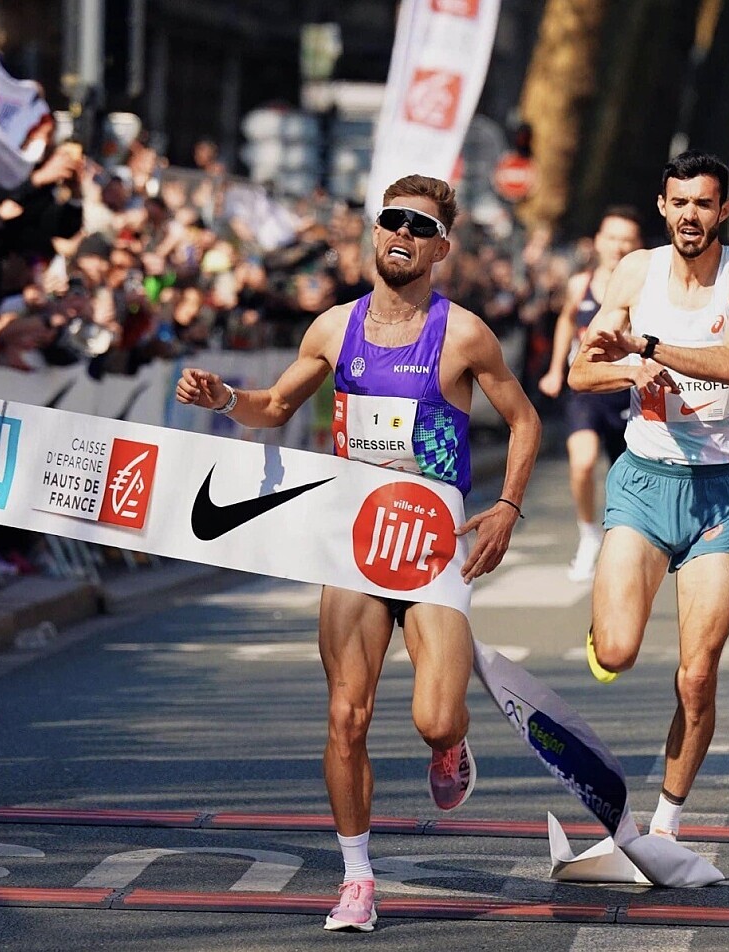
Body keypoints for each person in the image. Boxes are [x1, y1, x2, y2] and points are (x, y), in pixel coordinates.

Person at [175, 174, 541, 932]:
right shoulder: (333, 329)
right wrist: (224, 401)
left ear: (441, 247)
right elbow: (276, 406)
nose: (403, 233)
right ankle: (357, 878)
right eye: (392, 220)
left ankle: (451, 745)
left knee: (435, 718)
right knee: (346, 715)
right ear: (375, 233)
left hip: (432, 542)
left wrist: (506, 507)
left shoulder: (464, 334)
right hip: (355, 540)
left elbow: (525, 420)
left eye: (420, 225)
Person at [567, 151, 729, 842]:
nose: (690, 215)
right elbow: (580, 371)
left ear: (724, 211)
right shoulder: (635, 272)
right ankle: (607, 628)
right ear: (663, 207)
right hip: (644, 482)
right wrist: (628, 370)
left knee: (697, 675)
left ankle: (665, 826)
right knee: (618, 652)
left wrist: (649, 347)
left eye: (703, 204)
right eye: (679, 203)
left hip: (718, 493)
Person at [538, 207, 642, 581]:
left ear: (637, 245)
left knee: (625, 480)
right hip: (585, 390)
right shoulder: (579, 284)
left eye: (626, 240)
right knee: (582, 462)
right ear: (598, 241)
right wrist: (555, 370)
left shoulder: (643, 288)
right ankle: (587, 535)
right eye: (612, 238)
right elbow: (567, 320)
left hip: (628, 392)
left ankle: (624, 548)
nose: (618, 246)